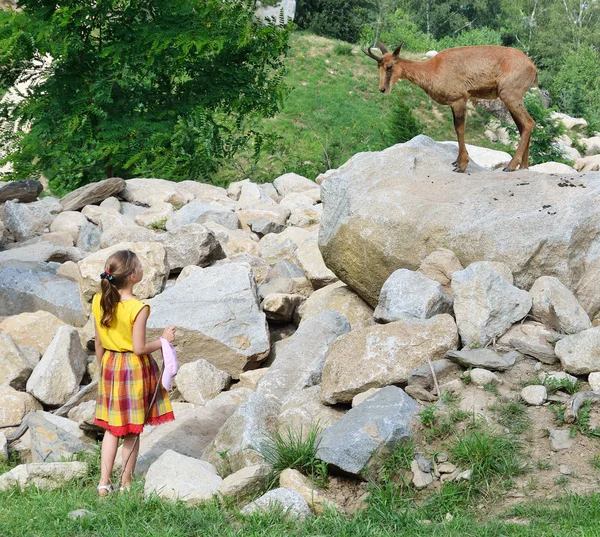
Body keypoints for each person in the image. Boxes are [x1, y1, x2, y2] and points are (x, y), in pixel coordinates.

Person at [92, 249, 175, 496]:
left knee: (111, 429)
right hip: (133, 369)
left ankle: (103, 484)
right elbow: (139, 348)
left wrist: (102, 368)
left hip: (109, 365)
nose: (142, 269)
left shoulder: (98, 300)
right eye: (139, 266)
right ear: (131, 276)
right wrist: (163, 341)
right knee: (132, 429)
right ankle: (126, 484)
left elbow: (98, 342)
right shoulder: (139, 307)